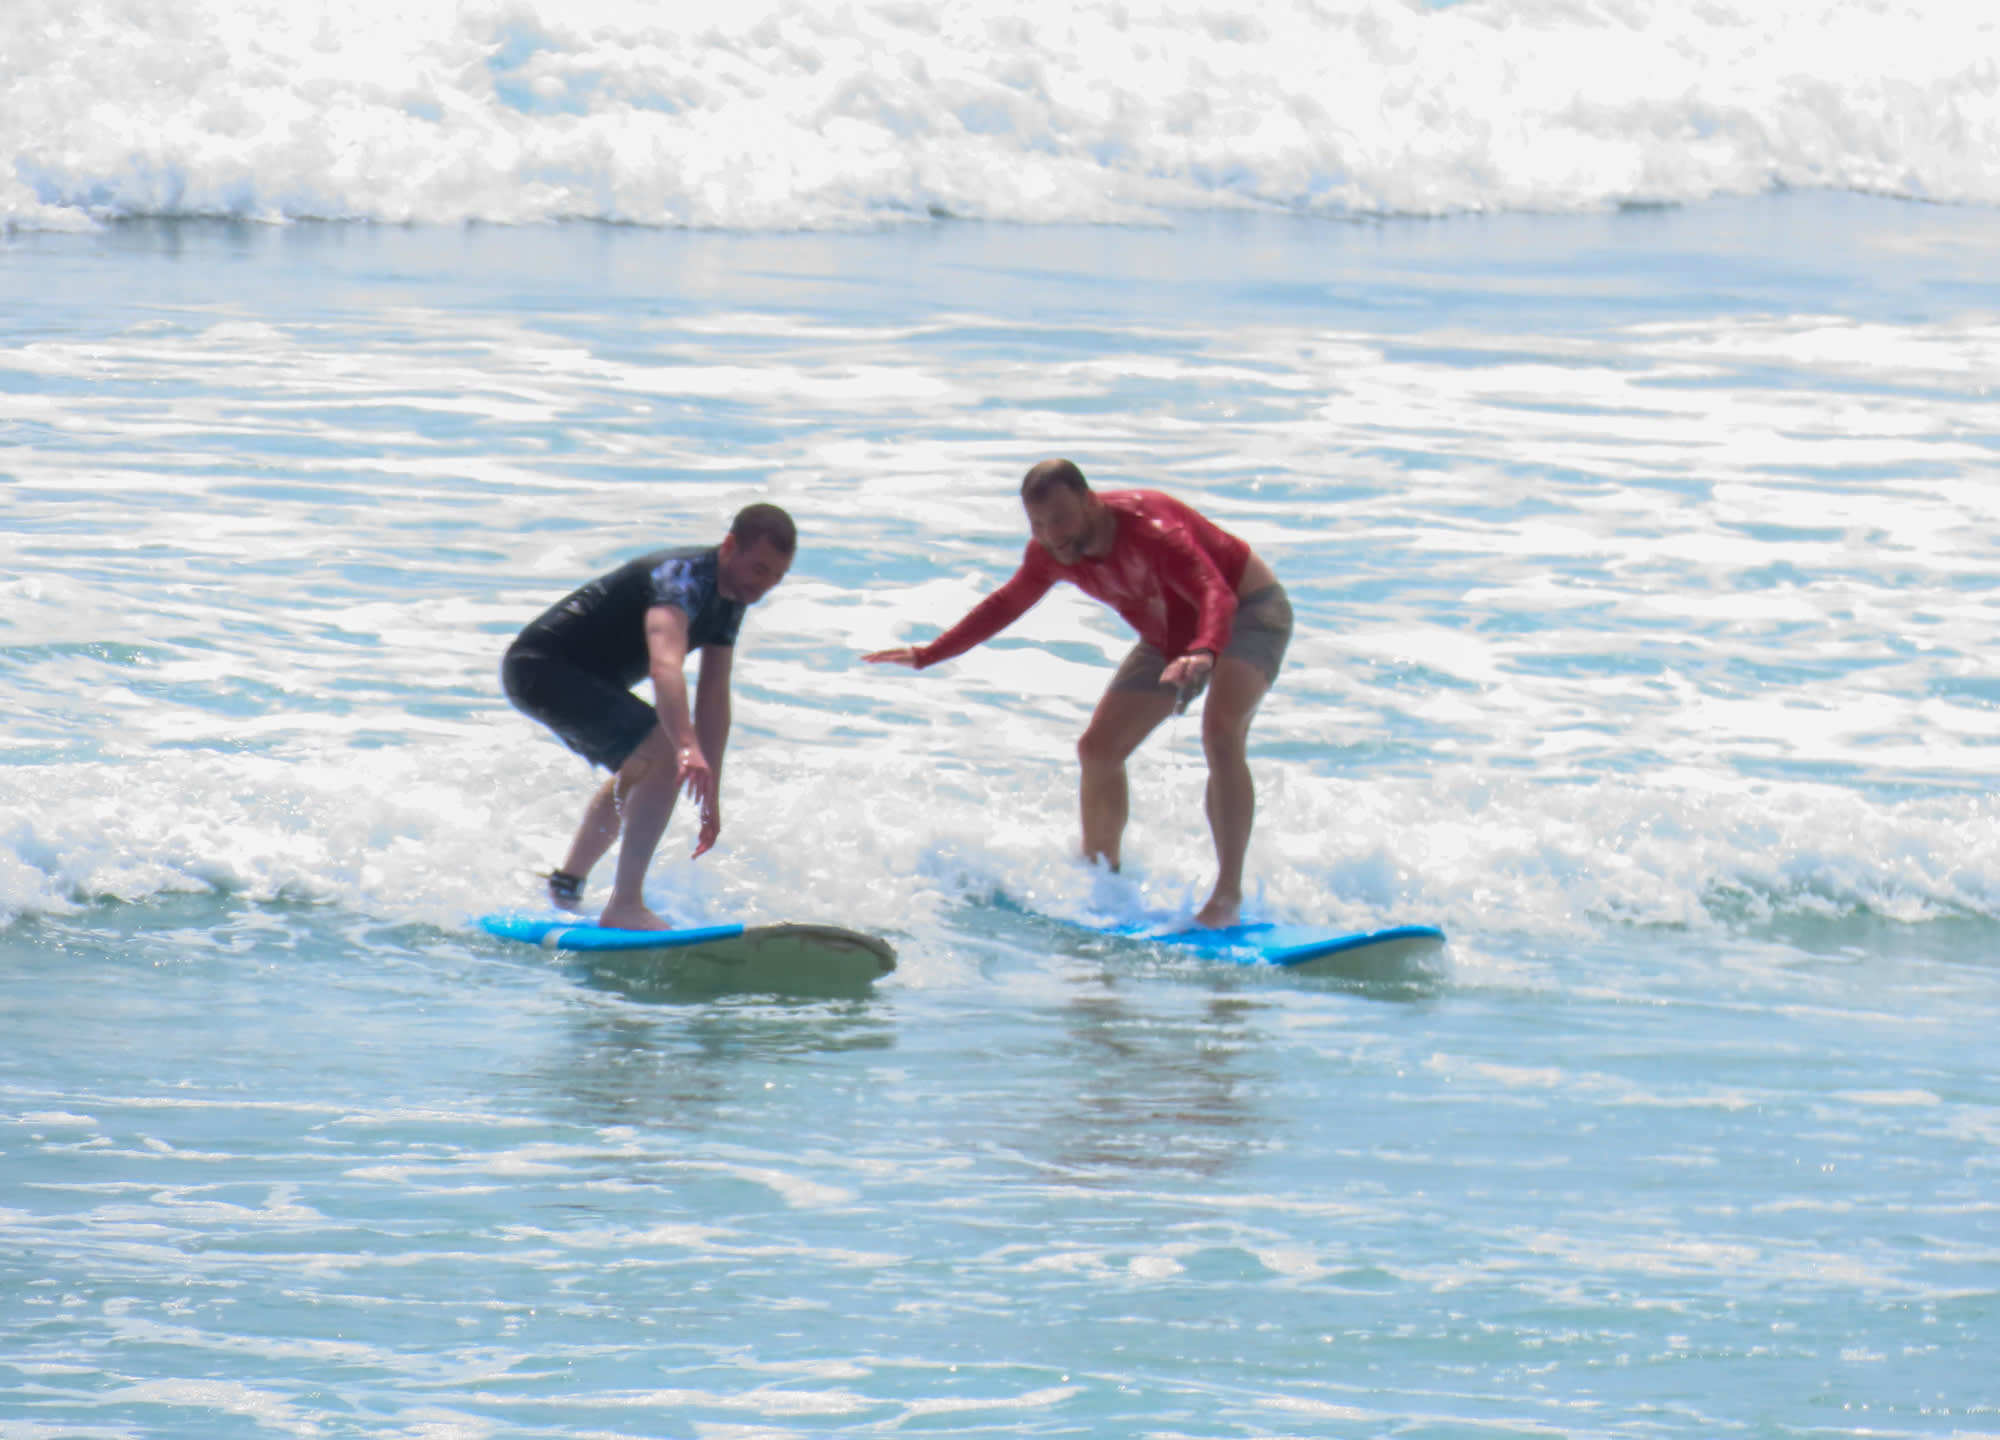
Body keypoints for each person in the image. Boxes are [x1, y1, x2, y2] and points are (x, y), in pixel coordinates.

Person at [865, 460, 1290, 928]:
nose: (1052, 535)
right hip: (1171, 634)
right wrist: (928, 654)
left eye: (1061, 518)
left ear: (1090, 502)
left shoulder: (1152, 531)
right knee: (1098, 750)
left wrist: (1205, 649)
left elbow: (1216, 594)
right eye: (1038, 524)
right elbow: (1006, 604)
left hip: (1248, 611)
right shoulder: (1050, 552)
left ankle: (1227, 896)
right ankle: (1103, 883)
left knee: (1221, 732)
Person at [502, 503, 796, 931]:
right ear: (730, 546)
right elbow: (665, 665)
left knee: (643, 763)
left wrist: (710, 789)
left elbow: (714, 697)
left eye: (777, 576)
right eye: (760, 569)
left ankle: (566, 886)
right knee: (662, 750)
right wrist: (686, 746)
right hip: (539, 668)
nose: (765, 585)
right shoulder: (679, 577)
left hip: (583, 678)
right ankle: (624, 904)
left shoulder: (732, 598)